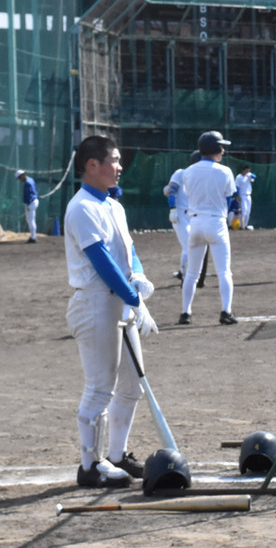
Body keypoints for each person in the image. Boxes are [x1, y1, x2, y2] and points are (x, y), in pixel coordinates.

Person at [64, 135, 160, 487]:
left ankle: (117, 456)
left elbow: (126, 249)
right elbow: (102, 263)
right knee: (100, 388)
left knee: (132, 385)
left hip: (119, 299)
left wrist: (138, 276)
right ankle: (90, 466)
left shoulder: (113, 205)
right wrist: (134, 299)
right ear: (92, 165)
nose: (119, 167)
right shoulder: (81, 208)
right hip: (96, 303)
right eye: (114, 161)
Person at [179, 131, 238, 325]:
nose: (222, 150)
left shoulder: (188, 171)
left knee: (192, 273)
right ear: (214, 149)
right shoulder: (224, 171)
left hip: (195, 222)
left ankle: (185, 313)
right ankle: (226, 312)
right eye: (220, 146)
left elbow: (189, 193)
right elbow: (229, 198)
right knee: (224, 271)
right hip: (216, 222)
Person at [164, 151, 200, 280]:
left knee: (189, 245)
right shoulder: (181, 173)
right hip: (179, 213)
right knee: (189, 245)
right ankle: (187, 275)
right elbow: (171, 191)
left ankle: (182, 271)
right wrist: (173, 209)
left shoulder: (199, 177)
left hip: (191, 215)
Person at [15, 169, 38, 243]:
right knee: (30, 220)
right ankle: (33, 236)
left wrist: (28, 204)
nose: (19, 180)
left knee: (31, 221)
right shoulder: (31, 180)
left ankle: (33, 237)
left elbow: (29, 195)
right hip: (33, 201)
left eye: (19, 178)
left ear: (22, 176)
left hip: (31, 202)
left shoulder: (27, 183)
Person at [235, 165, 256, 230]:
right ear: (243, 170)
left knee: (248, 211)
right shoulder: (239, 177)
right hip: (242, 195)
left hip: (248, 195)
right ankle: (241, 226)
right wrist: (238, 195)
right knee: (244, 210)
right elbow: (237, 187)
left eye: (248, 170)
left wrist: (250, 174)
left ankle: (245, 225)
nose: (248, 172)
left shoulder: (248, 176)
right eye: (247, 170)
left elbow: (255, 177)